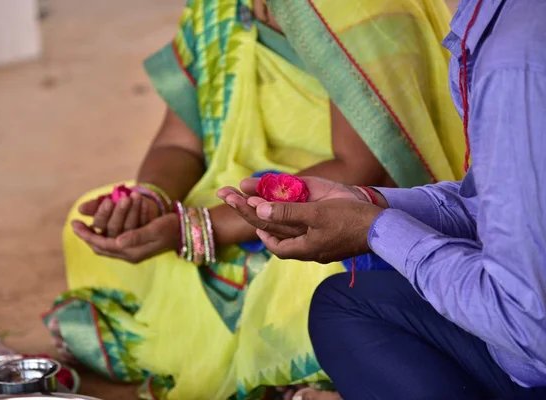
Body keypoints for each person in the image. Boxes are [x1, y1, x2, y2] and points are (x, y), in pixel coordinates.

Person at [43, 0, 464, 398]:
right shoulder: (220, 8)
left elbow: (355, 169)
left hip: (325, 206)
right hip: (229, 196)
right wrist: (149, 201)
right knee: (87, 222)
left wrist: (199, 229)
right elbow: (179, 143)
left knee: (309, 279)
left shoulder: (359, 8)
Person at [219, 0, 546, 399]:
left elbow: (528, 325)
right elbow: (497, 206)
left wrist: (373, 228)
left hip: (534, 350)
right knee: (340, 303)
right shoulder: (506, 25)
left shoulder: (513, 64)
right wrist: (367, 202)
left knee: (323, 301)